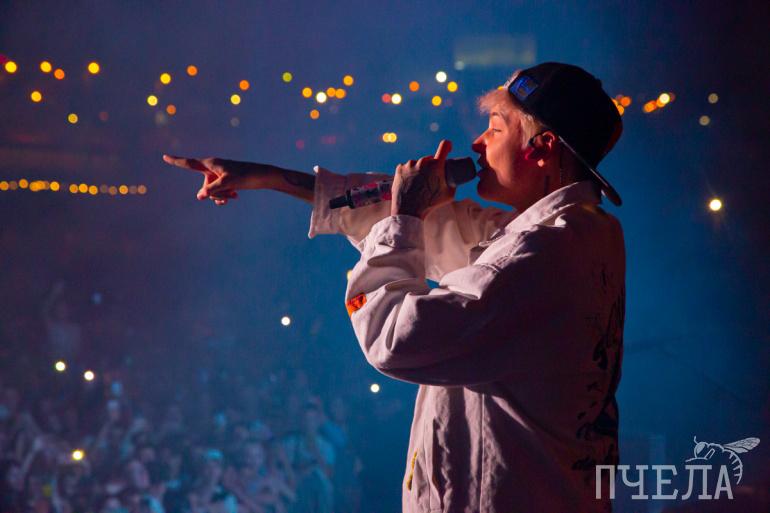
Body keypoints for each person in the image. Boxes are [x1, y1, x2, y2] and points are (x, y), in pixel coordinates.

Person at [163, 62, 625, 513]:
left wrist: (406, 217)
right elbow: (447, 229)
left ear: (542, 148)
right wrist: (270, 178)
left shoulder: (540, 257)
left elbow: (396, 338)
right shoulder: (579, 231)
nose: (477, 142)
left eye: (496, 128)